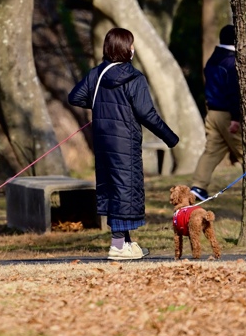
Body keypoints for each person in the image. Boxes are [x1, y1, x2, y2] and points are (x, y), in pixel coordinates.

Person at [69, 28, 179, 261]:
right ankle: (118, 245)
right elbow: (146, 113)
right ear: (125, 49)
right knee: (124, 189)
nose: (133, 49)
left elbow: (76, 97)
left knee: (114, 188)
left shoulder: (97, 74)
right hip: (125, 142)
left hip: (102, 140)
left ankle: (127, 242)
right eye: (131, 45)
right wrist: (170, 138)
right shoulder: (134, 77)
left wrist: (103, 106)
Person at [190, 24, 243, 202]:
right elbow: (233, 92)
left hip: (212, 112)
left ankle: (198, 185)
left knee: (212, 151)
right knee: (245, 150)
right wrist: (236, 118)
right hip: (227, 115)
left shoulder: (213, 59)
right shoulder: (230, 62)